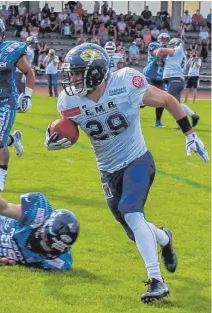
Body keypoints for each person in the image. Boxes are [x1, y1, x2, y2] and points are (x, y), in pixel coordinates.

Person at [44, 43, 209, 303]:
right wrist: (52, 138)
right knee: (133, 228)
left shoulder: (125, 83)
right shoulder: (68, 101)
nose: (72, 78)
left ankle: (156, 280)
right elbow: (67, 129)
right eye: (71, 73)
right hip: (107, 170)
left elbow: (167, 100)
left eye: (77, 73)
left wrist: (190, 134)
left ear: (96, 73)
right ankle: (165, 238)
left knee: (132, 213)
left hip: (137, 159)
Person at [0, 16, 35, 192]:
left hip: (6, 101)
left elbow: (28, 72)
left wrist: (27, 96)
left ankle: (0, 181)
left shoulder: (11, 49)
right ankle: (15, 139)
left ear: (0, 33)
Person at [0, 181, 79, 270]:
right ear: (43, 227)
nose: (47, 249)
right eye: (47, 241)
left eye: (53, 249)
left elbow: (25, 262)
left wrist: (10, 262)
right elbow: (4, 208)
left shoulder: (61, 261)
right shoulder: (36, 214)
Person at [160, 38, 200, 128]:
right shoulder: (179, 54)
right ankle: (192, 116)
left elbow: (167, 50)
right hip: (176, 80)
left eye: (172, 44)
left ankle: (185, 122)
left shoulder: (178, 50)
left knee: (172, 103)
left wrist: (160, 50)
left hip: (175, 79)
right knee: (175, 103)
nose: (170, 46)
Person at [143, 33, 170, 127]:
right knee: (142, 99)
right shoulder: (154, 45)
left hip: (160, 77)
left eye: (166, 39)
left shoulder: (169, 50)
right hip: (150, 74)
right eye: (162, 39)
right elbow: (156, 54)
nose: (164, 41)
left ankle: (158, 121)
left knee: (161, 100)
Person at [16, 36, 38, 113]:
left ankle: (17, 106)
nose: (35, 45)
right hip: (21, 71)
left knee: (19, 91)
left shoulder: (25, 49)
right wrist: (24, 73)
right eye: (33, 44)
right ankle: (18, 107)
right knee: (24, 91)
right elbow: (25, 61)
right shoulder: (28, 51)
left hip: (17, 71)